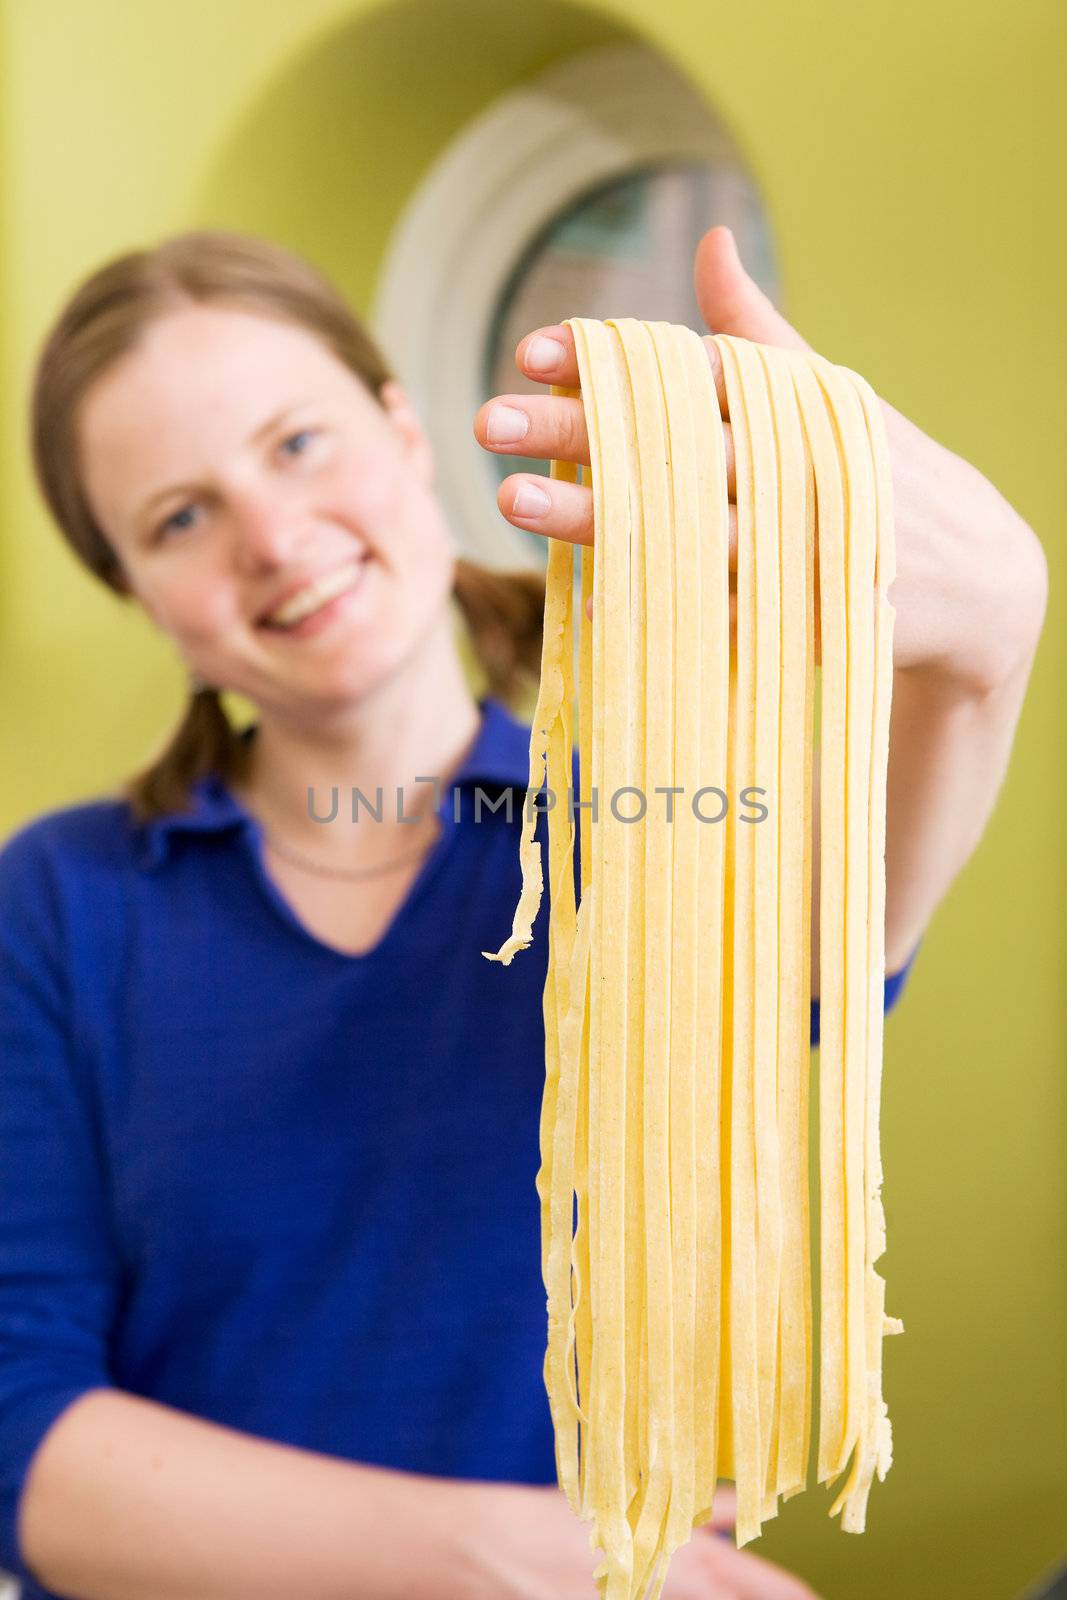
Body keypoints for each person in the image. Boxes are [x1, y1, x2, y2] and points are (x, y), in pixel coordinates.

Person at [0, 226, 1045, 1600]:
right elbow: (27, 1444)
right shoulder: (59, 903)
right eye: (179, 518)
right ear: (136, 591)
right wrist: (499, 1560)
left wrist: (986, 645)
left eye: (298, 443)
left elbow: (827, 951)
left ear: (399, 427)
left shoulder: (647, 831)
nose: (271, 534)